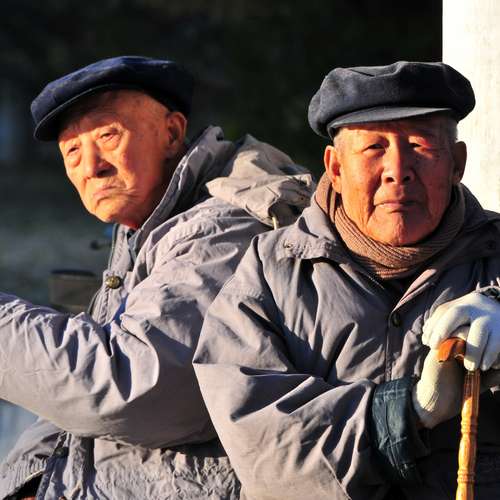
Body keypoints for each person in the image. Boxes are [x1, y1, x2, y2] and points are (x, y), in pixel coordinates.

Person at [0, 55, 314, 499]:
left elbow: (129, 387)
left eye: (107, 136)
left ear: (171, 133)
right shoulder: (143, 231)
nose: (91, 166)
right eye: (72, 151)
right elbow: (66, 417)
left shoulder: (225, 228)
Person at [193, 61, 500, 500]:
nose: (398, 170)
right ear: (334, 168)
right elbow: (261, 445)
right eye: (374, 148)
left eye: (420, 145)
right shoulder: (270, 272)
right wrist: (407, 411)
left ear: (457, 163)